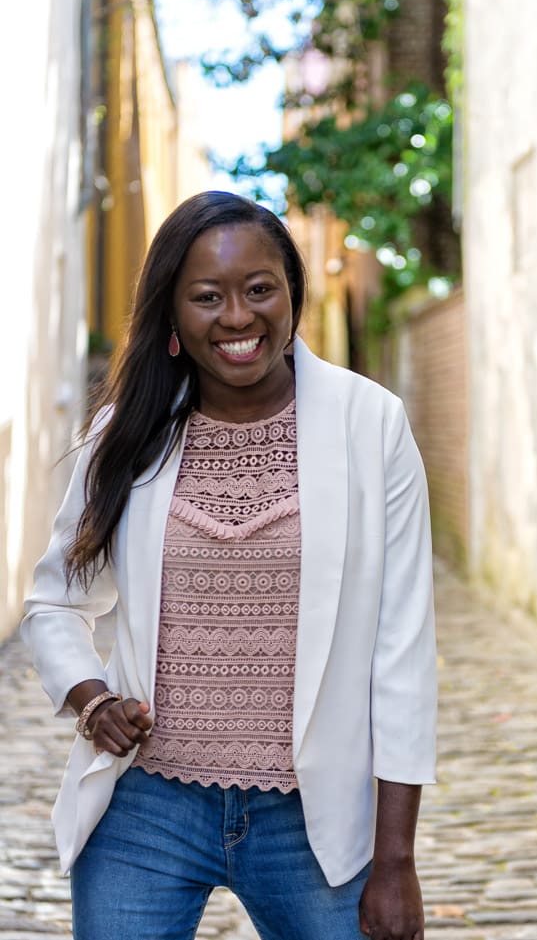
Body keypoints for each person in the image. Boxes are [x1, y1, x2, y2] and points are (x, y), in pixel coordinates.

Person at [22, 191, 437, 940]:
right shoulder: (125, 432)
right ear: (173, 315)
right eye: (207, 296)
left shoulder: (369, 425)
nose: (238, 317)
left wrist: (396, 858)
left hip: (312, 822)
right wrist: (90, 696)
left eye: (259, 288)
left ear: (292, 294)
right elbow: (55, 601)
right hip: (144, 811)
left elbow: (402, 653)